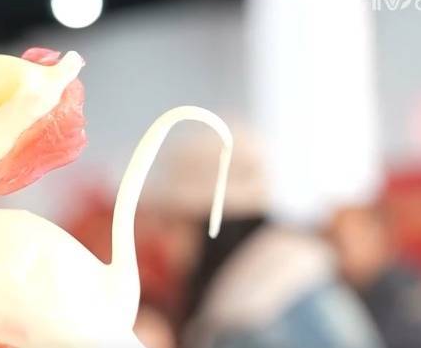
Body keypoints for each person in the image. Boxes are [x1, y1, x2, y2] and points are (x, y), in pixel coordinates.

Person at [147, 126, 383, 348]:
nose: (167, 243)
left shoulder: (253, 320)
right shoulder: (299, 284)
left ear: (211, 225)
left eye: (173, 225)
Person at [328, 205, 421, 348]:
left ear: (375, 236)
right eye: (329, 240)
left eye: (341, 242)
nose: (334, 254)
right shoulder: (345, 290)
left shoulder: (407, 293)